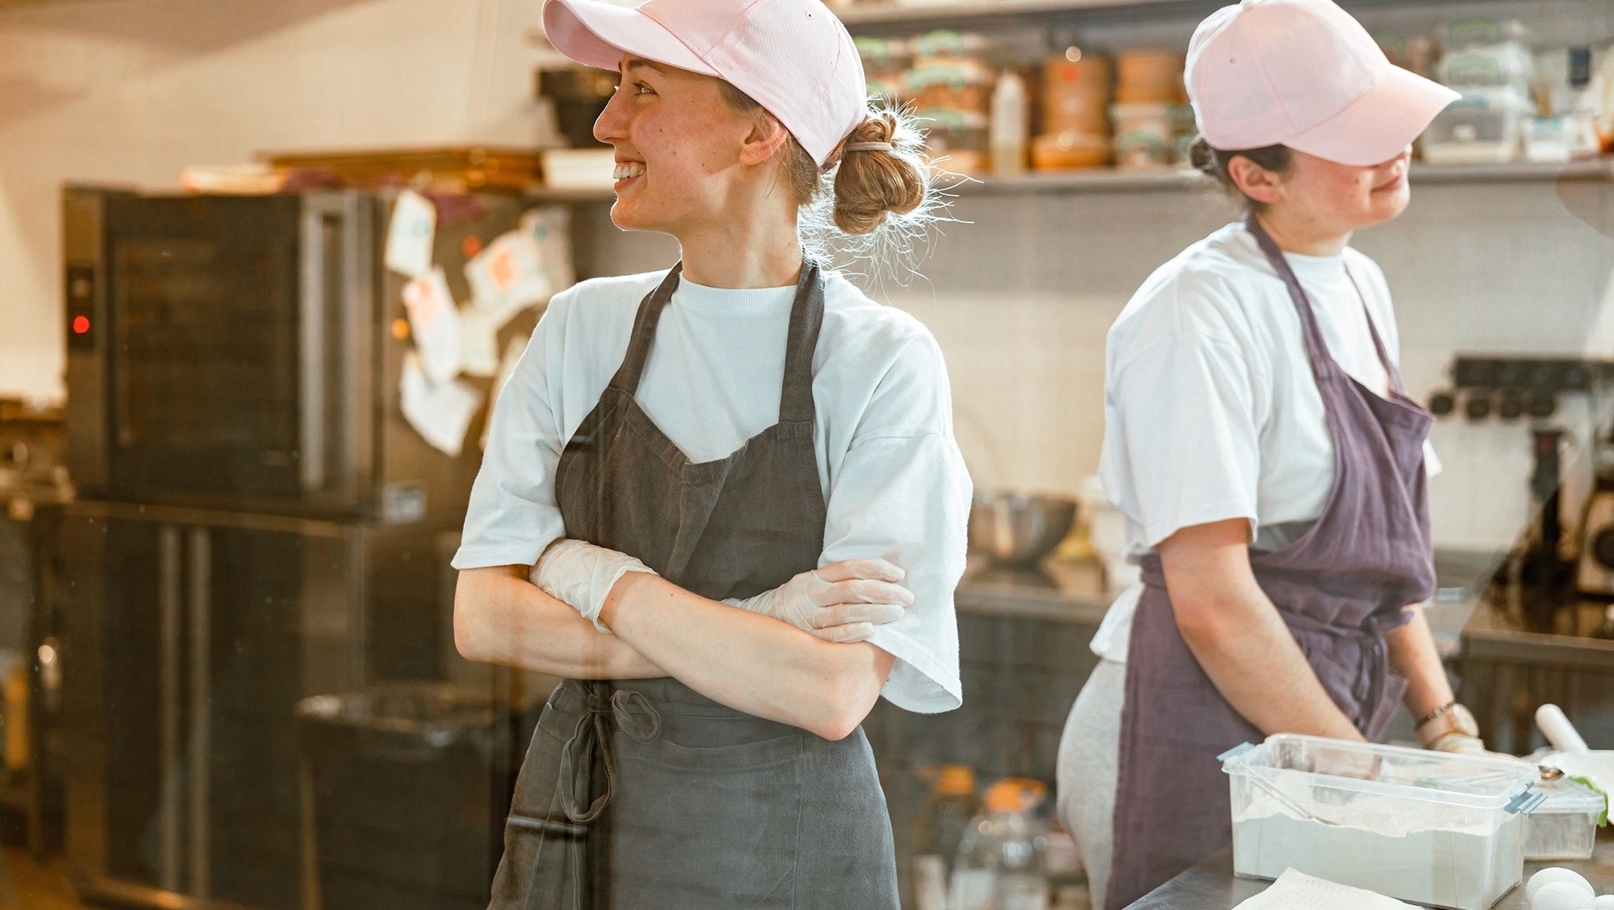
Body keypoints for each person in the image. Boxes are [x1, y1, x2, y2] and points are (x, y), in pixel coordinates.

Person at [449, 0, 971, 906]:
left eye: (642, 89)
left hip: (786, 848)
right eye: (612, 90)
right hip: (582, 831)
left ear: (758, 132)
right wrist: (763, 617)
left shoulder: (880, 360)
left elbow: (829, 691)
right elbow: (486, 618)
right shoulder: (580, 328)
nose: (607, 121)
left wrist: (589, 575)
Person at [1054, 1, 1483, 906]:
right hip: (1190, 730)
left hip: (1310, 733)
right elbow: (1212, 602)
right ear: (1254, 174)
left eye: (1389, 117)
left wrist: (1443, 726)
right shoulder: (1195, 312)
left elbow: (1387, 563)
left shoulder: (1358, 280)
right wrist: (1360, 778)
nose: (1394, 145)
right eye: (1356, 134)